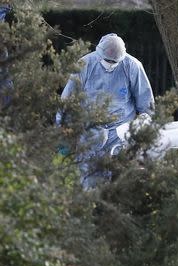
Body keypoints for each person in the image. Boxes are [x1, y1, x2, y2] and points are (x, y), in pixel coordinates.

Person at [60, 33, 154, 189]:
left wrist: (143, 128)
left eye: (114, 61)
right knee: (89, 182)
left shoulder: (132, 66)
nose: (110, 64)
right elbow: (67, 102)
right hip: (89, 133)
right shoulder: (85, 65)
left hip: (120, 133)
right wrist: (63, 134)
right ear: (98, 54)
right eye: (107, 60)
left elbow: (146, 105)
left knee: (119, 184)